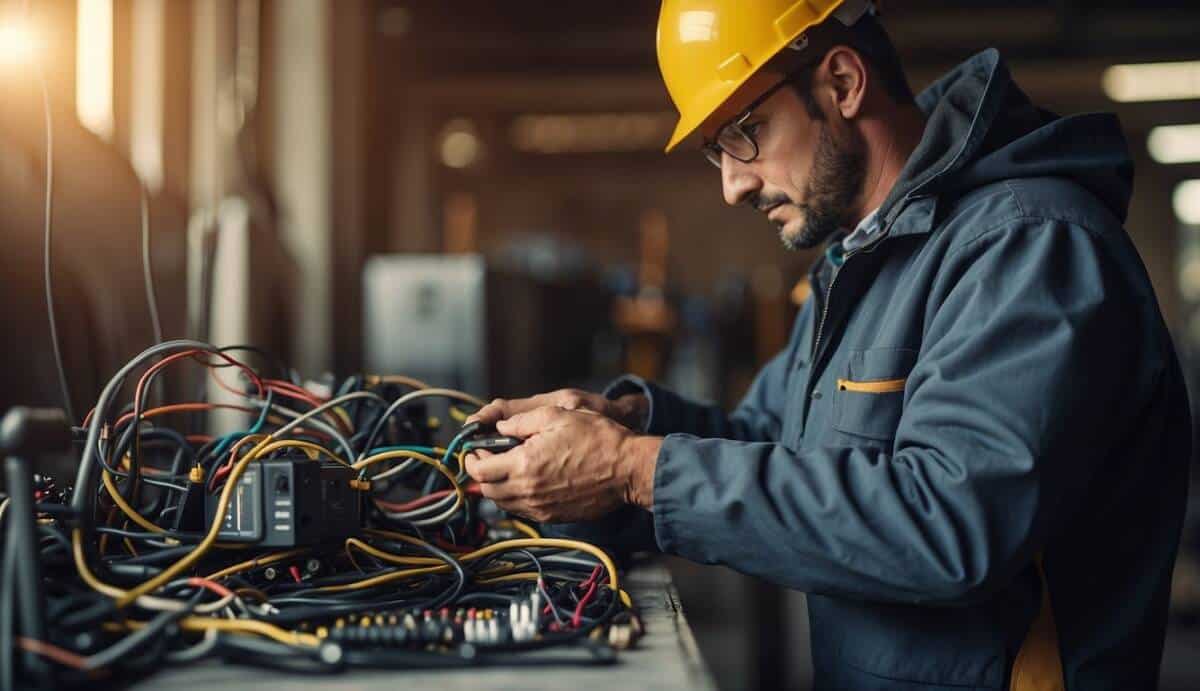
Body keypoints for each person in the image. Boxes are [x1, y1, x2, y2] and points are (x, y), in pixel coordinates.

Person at [465, 1, 1191, 688]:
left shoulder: (1030, 249)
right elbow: (766, 440)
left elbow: (951, 523)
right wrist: (620, 430)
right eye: (715, 150)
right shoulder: (859, 260)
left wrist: (636, 469)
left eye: (744, 131)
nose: (731, 185)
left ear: (842, 81)